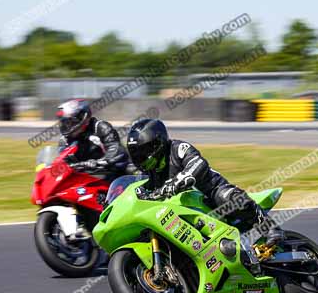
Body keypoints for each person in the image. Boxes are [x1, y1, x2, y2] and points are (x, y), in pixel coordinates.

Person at [125, 118, 283, 257]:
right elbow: (140, 189)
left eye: (143, 152)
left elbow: (198, 163)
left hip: (211, 192)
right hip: (180, 207)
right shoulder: (151, 172)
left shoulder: (178, 148)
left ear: (157, 145)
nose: (140, 159)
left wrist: (178, 181)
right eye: (136, 154)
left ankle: (270, 228)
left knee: (227, 197)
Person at [55, 99, 130, 176]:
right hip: (83, 178)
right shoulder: (64, 140)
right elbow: (63, 162)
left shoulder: (100, 127)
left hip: (111, 174)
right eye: (64, 123)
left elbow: (115, 148)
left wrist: (98, 162)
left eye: (69, 122)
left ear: (82, 117)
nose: (66, 126)